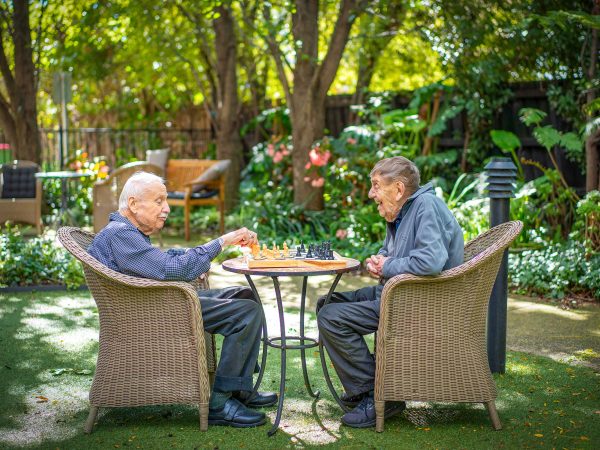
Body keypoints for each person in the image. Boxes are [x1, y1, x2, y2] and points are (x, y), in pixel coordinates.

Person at [88, 171, 275, 428]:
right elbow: (172, 270)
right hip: (152, 312)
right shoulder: (119, 234)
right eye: (158, 201)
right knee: (245, 311)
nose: (166, 209)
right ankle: (220, 403)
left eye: (165, 201)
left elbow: (158, 262)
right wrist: (222, 242)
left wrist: (192, 255)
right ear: (133, 204)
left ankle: (239, 389)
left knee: (244, 295)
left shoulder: (123, 232)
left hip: (155, 303)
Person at [316, 156, 464, 428]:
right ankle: (368, 388)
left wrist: (389, 265)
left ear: (398, 189)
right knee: (327, 303)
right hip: (401, 293)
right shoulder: (400, 212)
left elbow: (431, 261)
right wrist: (381, 261)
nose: (371, 194)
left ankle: (380, 395)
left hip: (420, 302)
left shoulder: (426, 206)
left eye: (375, 186)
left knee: (331, 317)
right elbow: (394, 255)